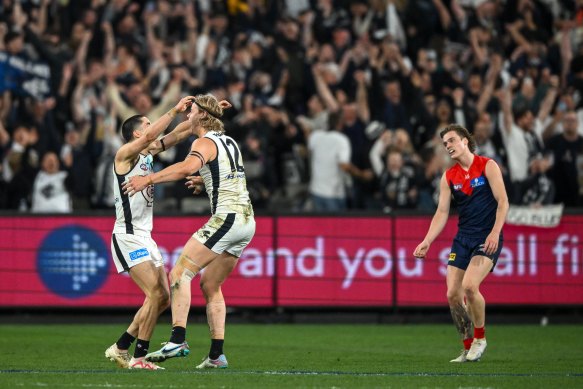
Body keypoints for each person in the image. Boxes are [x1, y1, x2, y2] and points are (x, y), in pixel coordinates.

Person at [123, 94, 256, 369]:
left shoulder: (203, 142)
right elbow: (227, 177)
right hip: (247, 221)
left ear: (201, 117)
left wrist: (147, 179)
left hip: (227, 219)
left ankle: (178, 338)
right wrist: (207, 181)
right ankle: (217, 355)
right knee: (210, 285)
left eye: (191, 111)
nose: (187, 115)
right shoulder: (229, 141)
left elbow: (185, 166)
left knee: (180, 273)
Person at [105, 95, 195, 370]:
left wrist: (199, 117)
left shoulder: (147, 153)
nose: (152, 125)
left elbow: (177, 135)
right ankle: (139, 357)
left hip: (146, 235)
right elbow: (151, 137)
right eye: (147, 123)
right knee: (156, 295)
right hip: (128, 235)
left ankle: (120, 347)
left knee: (163, 299)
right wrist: (173, 109)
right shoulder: (124, 155)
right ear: (136, 133)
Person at [413, 124, 509, 363]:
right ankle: (467, 348)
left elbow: (503, 202)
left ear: (465, 140)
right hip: (463, 239)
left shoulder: (487, 165)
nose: (448, 146)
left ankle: (480, 338)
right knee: (453, 295)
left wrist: (495, 232)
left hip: (487, 237)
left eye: (452, 140)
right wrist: (427, 240)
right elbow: (442, 212)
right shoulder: (449, 177)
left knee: (469, 286)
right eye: (445, 144)